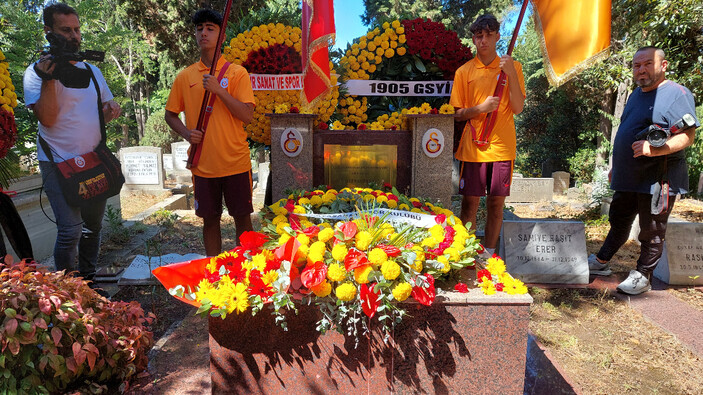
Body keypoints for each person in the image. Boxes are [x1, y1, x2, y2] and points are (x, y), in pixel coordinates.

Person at [24, 3, 121, 283]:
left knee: (92, 227)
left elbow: (99, 112)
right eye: (65, 30)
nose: (74, 36)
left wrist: (110, 111)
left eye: (77, 29)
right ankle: (69, 291)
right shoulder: (36, 72)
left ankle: (89, 284)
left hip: (93, 159)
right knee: (70, 230)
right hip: (57, 161)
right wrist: (50, 76)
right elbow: (49, 119)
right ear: (48, 32)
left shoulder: (91, 71)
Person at [589, 46, 698, 295]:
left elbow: (688, 136)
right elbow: (627, 128)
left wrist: (656, 150)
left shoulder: (677, 93)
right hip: (628, 174)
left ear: (664, 65)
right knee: (618, 220)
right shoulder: (636, 94)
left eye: (648, 64)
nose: (641, 70)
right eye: (637, 65)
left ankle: (643, 274)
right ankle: (602, 261)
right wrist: (616, 165)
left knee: (652, 229)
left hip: (659, 176)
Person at [165, 8, 255, 256]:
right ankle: (213, 272)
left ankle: (245, 273)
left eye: (210, 28)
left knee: (243, 221)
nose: (203, 33)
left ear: (221, 35)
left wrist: (220, 91)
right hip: (203, 165)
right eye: (199, 28)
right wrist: (186, 133)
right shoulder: (185, 76)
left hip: (235, 163)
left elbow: (247, 115)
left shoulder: (237, 73)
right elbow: (170, 114)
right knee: (209, 220)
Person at [449, 14, 525, 258]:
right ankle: (464, 253)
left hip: (502, 148)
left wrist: (511, 73)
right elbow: (458, 114)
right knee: (469, 203)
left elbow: (518, 107)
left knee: (496, 203)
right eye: (478, 36)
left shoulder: (513, 67)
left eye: (488, 35)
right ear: (473, 39)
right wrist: (479, 109)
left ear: (497, 37)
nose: (483, 41)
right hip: (472, 147)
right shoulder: (464, 71)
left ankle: (489, 254)